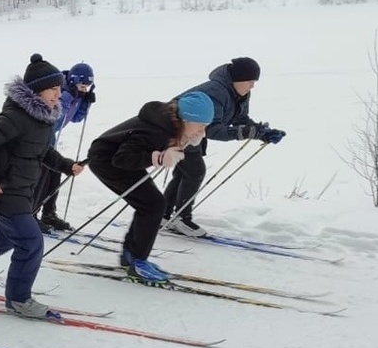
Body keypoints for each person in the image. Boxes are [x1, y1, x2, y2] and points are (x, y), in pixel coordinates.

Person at [0, 55, 83, 319]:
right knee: (31, 242)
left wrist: (67, 166)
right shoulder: (16, 117)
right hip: (2, 193)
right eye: (54, 89)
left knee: (7, 238)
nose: (59, 93)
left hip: (20, 192)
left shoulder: (42, 119)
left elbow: (43, 152)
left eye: (60, 88)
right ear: (37, 90)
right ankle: (19, 299)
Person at [87, 91, 216, 283]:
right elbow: (121, 158)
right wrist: (157, 157)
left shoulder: (172, 124)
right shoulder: (157, 130)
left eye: (206, 126)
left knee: (152, 204)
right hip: (106, 160)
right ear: (185, 119)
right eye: (200, 125)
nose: (202, 132)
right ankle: (137, 261)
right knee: (154, 205)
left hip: (121, 159)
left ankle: (131, 257)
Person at [162, 57, 286, 237]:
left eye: (254, 82)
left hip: (194, 131)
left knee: (185, 172)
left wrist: (263, 132)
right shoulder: (216, 92)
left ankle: (163, 215)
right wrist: (246, 132)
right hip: (178, 127)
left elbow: (240, 120)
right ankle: (181, 218)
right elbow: (213, 129)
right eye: (250, 81)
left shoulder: (239, 93)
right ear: (237, 78)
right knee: (194, 171)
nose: (252, 86)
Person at [37, 62, 96, 234]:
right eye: (82, 85)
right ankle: (31, 213)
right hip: (40, 134)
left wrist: (85, 103)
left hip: (51, 136)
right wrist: (70, 96)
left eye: (87, 87)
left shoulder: (77, 94)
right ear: (73, 81)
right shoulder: (60, 91)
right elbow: (56, 116)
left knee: (54, 173)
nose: (84, 89)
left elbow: (76, 118)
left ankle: (49, 213)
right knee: (42, 175)